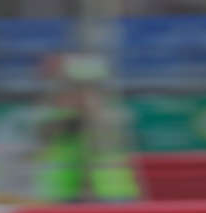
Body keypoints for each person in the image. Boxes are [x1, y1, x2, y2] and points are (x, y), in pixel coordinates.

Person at [32, 53, 140, 203]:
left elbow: (103, 144)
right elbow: (46, 138)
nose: (82, 95)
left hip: (111, 195)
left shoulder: (112, 117)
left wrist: (90, 116)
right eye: (75, 88)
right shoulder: (53, 117)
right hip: (59, 196)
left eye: (89, 88)